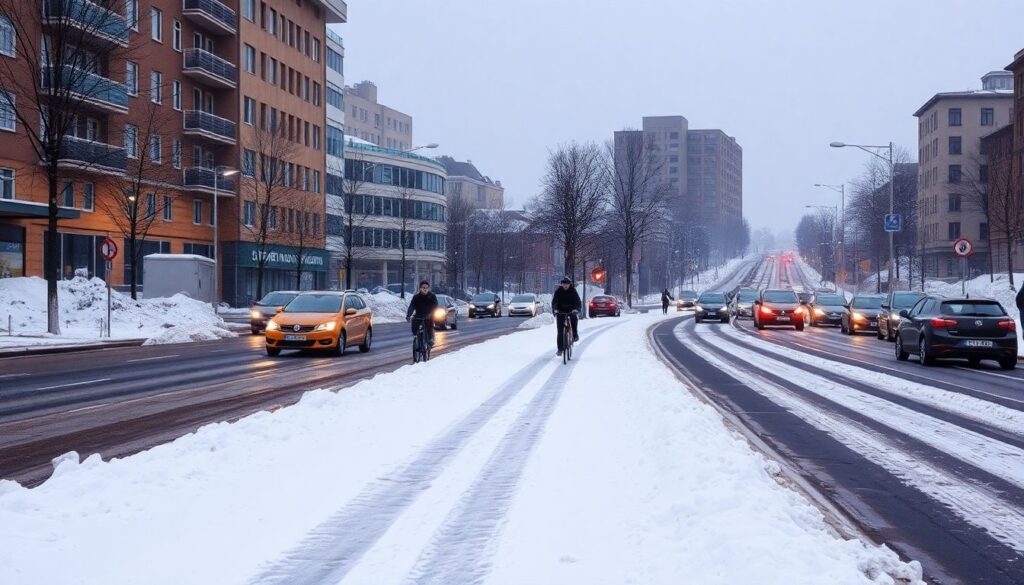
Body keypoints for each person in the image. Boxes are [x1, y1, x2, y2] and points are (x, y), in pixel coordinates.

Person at [552, 276, 581, 356]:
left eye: (567, 284)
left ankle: (575, 334)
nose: (565, 285)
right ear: (561, 284)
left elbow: (577, 301)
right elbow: (555, 302)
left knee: (574, 319)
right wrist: (555, 310)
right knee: (560, 331)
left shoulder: (573, 291)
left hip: (571, 310)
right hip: (560, 311)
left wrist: (576, 309)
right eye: (564, 284)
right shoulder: (558, 291)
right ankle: (560, 349)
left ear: (569, 284)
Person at [406, 280, 439, 346]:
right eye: (423, 287)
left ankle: (430, 339)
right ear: (420, 288)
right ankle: (416, 337)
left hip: (429, 315)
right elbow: (412, 306)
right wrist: (408, 315)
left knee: (430, 325)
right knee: (414, 323)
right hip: (419, 315)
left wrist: (432, 314)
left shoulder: (432, 296)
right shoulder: (416, 297)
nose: (425, 289)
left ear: (429, 288)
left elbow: (435, 306)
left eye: (426, 288)